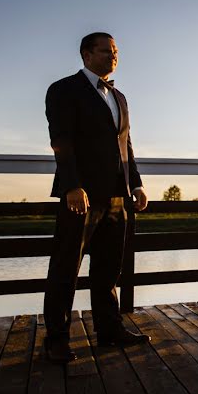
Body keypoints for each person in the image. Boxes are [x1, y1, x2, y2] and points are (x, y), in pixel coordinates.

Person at [43, 32, 150, 363]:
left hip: (118, 196)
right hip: (82, 195)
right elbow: (60, 139)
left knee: (108, 270)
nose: (113, 56)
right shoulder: (64, 90)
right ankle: (56, 340)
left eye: (115, 51)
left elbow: (125, 145)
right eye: (106, 51)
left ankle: (109, 330)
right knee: (66, 267)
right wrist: (72, 185)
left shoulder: (120, 98)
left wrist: (135, 183)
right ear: (87, 54)